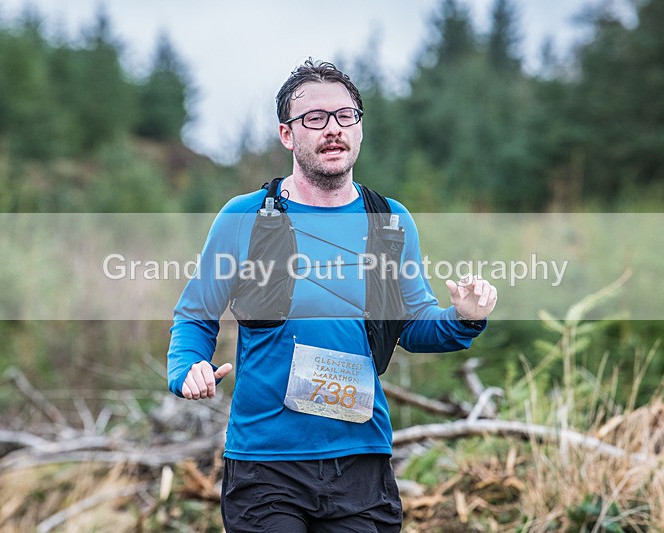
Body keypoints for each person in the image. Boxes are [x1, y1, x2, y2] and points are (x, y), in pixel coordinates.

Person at [167, 58, 497, 532]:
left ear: (359, 128)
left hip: (361, 464)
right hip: (266, 466)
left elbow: (413, 324)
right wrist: (186, 369)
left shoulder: (389, 220)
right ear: (287, 134)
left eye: (345, 116)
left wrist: (463, 318)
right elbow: (196, 316)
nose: (333, 129)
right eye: (315, 119)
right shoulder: (245, 217)